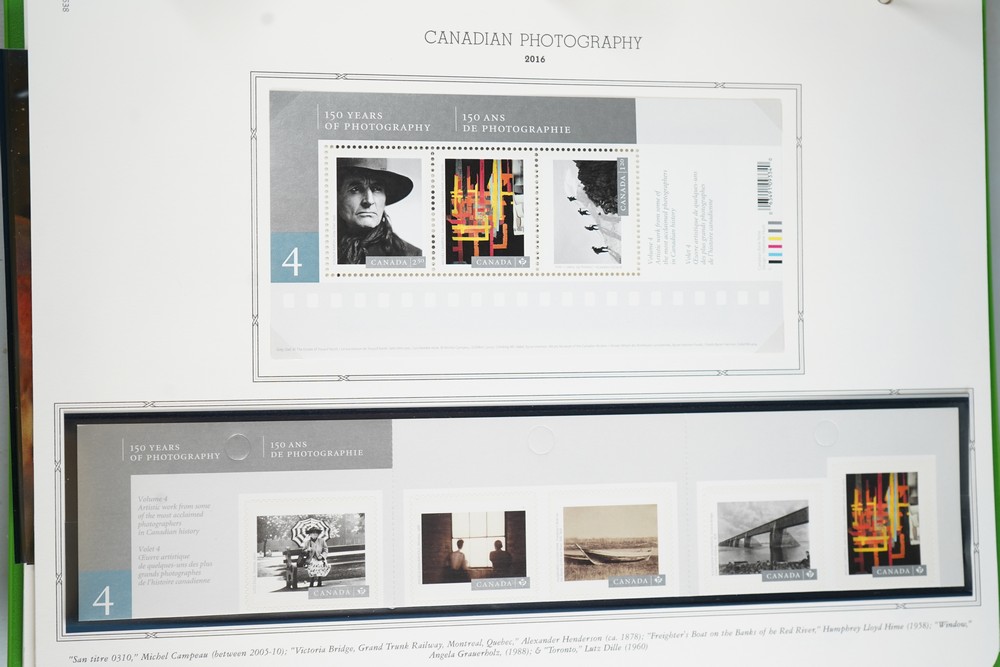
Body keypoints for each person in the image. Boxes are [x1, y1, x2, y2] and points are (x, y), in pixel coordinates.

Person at [337, 157, 422, 264]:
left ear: (385, 197)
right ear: (337, 196)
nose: (369, 201)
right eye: (355, 189)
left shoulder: (410, 256)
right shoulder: (323, 248)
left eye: (377, 189)